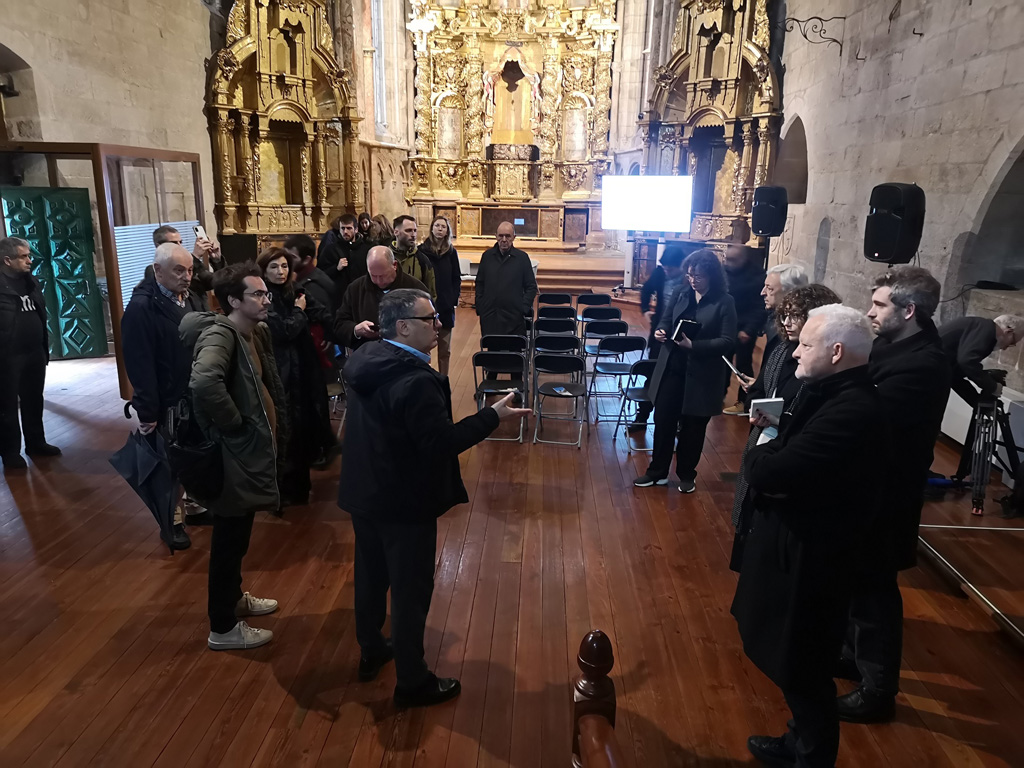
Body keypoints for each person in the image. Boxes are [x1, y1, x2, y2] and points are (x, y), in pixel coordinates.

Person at [338, 288, 530, 707]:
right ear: (403, 327)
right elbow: (441, 444)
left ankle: (372, 649)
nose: (438, 324)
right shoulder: (416, 381)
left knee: (370, 578)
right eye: (430, 319)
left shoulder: (366, 358)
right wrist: (492, 416)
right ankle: (412, 681)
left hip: (364, 491)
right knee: (410, 593)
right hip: (404, 502)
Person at [732, 304, 886, 768]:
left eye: (805, 344)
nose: (795, 352)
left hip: (813, 557)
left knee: (802, 663)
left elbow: (770, 470)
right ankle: (799, 740)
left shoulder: (852, 409)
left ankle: (811, 757)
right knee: (793, 657)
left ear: (836, 352)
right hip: (795, 544)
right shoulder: (825, 391)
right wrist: (771, 451)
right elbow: (784, 454)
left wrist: (759, 451)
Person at [837, 267, 951, 724]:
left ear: (909, 311)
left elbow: (868, 418)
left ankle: (878, 690)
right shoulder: (891, 345)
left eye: (879, 304)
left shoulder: (924, 364)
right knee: (856, 581)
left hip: (888, 494)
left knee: (874, 591)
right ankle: (852, 657)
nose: (869, 311)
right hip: (865, 487)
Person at [180, 263, 286, 651]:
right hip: (233, 453)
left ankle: (234, 598)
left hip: (244, 452)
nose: (266, 299)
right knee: (228, 540)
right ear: (234, 301)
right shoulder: (221, 334)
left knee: (237, 536)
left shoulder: (250, 332)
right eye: (257, 294)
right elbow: (204, 380)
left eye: (265, 293)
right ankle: (223, 627)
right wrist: (234, 425)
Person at [729, 283, 841, 571]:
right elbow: (761, 389)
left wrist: (780, 419)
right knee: (749, 513)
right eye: (785, 316)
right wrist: (756, 408)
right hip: (763, 437)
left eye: (796, 316)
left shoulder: (820, 362)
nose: (788, 323)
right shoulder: (780, 350)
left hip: (791, 448)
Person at [121, 243, 208, 549]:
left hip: (193, 393)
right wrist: (147, 411)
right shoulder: (142, 308)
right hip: (166, 400)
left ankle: (195, 508)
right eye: (179, 270)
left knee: (194, 456)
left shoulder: (191, 297)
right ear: (158, 271)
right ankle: (172, 521)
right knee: (168, 464)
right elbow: (140, 363)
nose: (187, 276)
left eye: (190, 270)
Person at [633, 249, 737, 493]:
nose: (692, 281)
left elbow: (727, 341)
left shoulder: (724, 301)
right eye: (690, 275)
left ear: (711, 276)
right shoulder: (681, 292)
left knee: (693, 427)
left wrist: (694, 346)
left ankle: (687, 474)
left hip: (702, 374)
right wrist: (661, 331)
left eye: (698, 276)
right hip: (673, 368)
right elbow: (666, 319)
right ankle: (657, 472)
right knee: (663, 420)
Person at [258, 247, 335, 508]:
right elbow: (284, 330)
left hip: (302, 367)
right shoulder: (263, 296)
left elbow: (322, 312)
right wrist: (300, 311)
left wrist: (334, 329)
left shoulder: (295, 290)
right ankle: (282, 490)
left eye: (284, 266)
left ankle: (300, 487)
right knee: (284, 428)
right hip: (279, 369)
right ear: (264, 271)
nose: (280, 272)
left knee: (303, 426)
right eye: (273, 267)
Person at [939, 313, 1024, 480]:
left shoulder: (978, 327)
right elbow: (967, 362)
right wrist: (992, 386)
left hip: (931, 376)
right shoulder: (986, 329)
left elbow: (955, 375)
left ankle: (919, 478)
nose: (1006, 348)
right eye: (1012, 342)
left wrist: (976, 401)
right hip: (928, 377)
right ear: (1008, 331)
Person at [0, 237, 59, 469]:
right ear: (7, 260)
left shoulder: (31, 281)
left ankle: (36, 443)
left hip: (35, 351)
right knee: (6, 406)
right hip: (7, 357)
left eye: (29, 255)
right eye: (23, 256)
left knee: (34, 399)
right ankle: (10, 452)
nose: (29, 260)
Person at [629, 246, 686, 431]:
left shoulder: (689, 279)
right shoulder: (660, 273)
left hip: (682, 335)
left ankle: (678, 422)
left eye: (671, 269)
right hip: (660, 331)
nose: (667, 271)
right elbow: (646, 290)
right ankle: (642, 417)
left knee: (679, 380)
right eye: (665, 267)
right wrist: (646, 310)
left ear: (681, 265)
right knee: (652, 375)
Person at [334, 246, 427, 350]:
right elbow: (339, 324)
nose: (379, 281)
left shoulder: (415, 289)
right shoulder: (355, 289)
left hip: (407, 354)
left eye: (383, 276)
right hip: (367, 353)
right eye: (373, 276)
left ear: (394, 265)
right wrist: (356, 330)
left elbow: (429, 324)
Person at [722, 245, 768, 416]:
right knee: (723, 363)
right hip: (726, 326)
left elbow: (759, 307)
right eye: (727, 259)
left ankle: (744, 402)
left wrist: (749, 329)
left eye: (733, 260)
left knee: (743, 366)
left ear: (743, 259)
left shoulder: (757, 276)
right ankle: (719, 395)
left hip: (744, 329)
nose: (729, 263)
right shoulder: (724, 272)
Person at [475, 222, 538, 337]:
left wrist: (523, 308)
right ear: (496, 236)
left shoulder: (522, 258)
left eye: (508, 236)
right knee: (491, 348)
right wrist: (480, 307)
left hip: (514, 318)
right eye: (501, 236)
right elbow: (480, 283)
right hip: (490, 316)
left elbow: (531, 286)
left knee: (514, 348)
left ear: (514, 237)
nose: (504, 240)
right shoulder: (487, 256)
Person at [417, 215, 461, 375]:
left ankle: (443, 380)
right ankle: (425, 379)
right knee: (424, 349)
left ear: (447, 231)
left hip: (446, 305)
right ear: (432, 228)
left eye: (443, 227)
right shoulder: (422, 251)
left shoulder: (451, 252)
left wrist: (453, 298)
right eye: (437, 226)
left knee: (445, 349)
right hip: (426, 305)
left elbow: (456, 277)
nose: (440, 229)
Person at [150, 225, 223, 310]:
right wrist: (195, 257)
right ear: (159, 246)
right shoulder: (155, 270)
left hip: (202, 313)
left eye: (180, 242)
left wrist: (217, 260)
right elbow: (180, 286)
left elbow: (214, 282)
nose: (179, 246)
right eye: (174, 243)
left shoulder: (193, 265)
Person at [316, 214, 369, 298]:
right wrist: (336, 268)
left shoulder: (365, 250)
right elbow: (320, 274)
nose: (345, 232)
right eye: (342, 228)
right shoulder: (330, 250)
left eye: (349, 228)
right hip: (339, 296)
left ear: (356, 229)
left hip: (361, 295)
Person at [285, 233, 339, 315]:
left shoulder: (314, 287)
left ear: (306, 260)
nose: (286, 260)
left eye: (292, 257)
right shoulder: (304, 277)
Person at [391, 215, 436, 300]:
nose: (413, 235)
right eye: (408, 231)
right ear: (396, 232)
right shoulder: (385, 257)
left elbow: (431, 292)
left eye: (415, 230)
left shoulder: (422, 260)